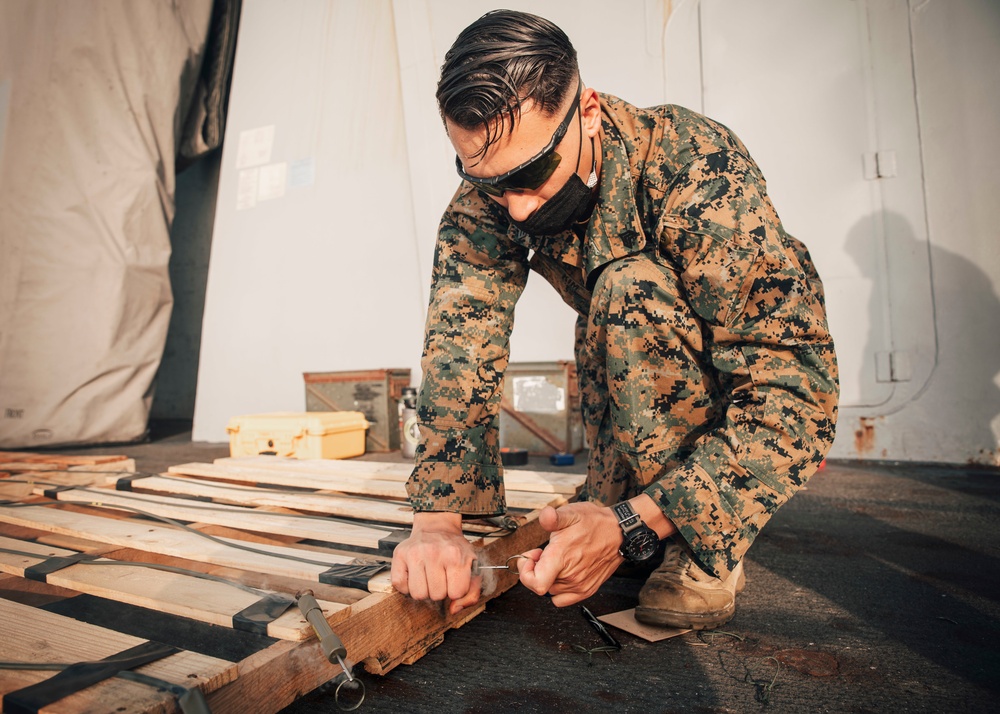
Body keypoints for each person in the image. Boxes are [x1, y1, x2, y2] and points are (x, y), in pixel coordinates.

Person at [390, 9, 839, 630]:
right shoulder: (491, 189)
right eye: (485, 180)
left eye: (531, 175)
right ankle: (629, 503)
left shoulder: (694, 167)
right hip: (619, 355)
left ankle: (699, 542)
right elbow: (459, 346)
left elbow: (797, 395)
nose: (515, 206)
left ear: (589, 112)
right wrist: (439, 524)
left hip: (728, 394)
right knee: (613, 303)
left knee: (631, 288)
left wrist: (632, 524)